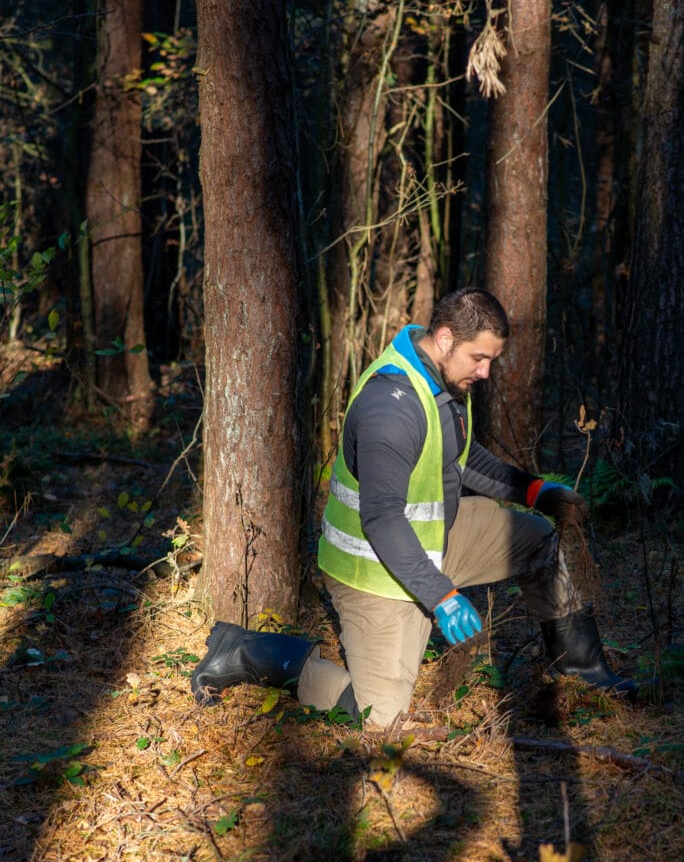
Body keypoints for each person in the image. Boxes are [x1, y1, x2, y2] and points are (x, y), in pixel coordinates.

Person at [191, 288, 636, 723]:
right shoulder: (392, 406)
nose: (484, 373)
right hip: (375, 572)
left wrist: (536, 492)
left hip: (434, 540)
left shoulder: (440, 381)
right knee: (380, 717)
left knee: (540, 541)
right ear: (445, 339)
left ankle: (580, 672)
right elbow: (381, 519)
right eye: (478, 359)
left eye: (490, 361)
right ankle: (247, 651)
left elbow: (462, 458)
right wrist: (441, 595)